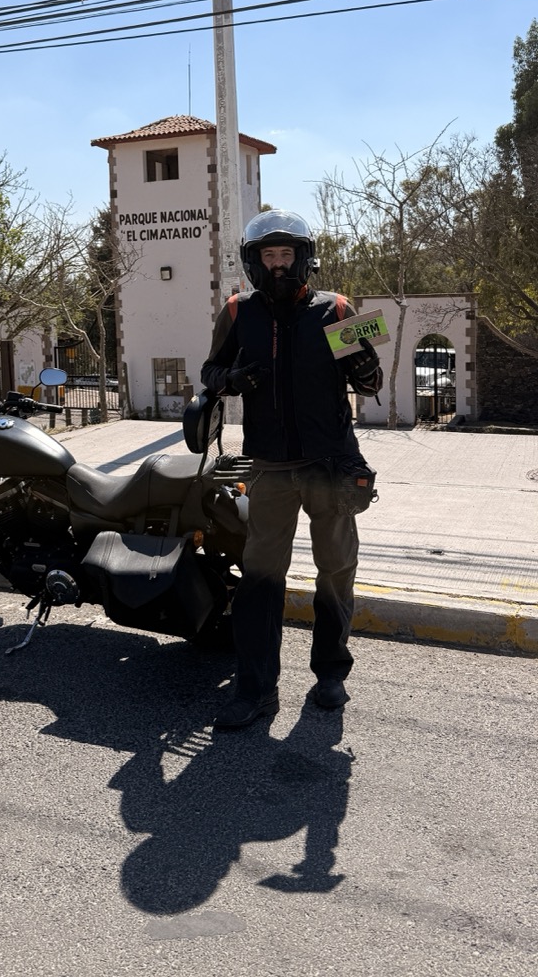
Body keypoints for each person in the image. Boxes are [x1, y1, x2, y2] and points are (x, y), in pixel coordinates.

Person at [201, 210, 383, 729]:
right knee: (260, 579)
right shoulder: (237, 311)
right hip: (270, 470)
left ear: (303, 259)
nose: (278, 265)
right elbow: (210, 372)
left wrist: (364, 365)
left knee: (336, 571)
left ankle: (331, 673)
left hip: (330, 465)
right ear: (254, 262)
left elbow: (370, 385)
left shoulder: (337, 309)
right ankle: (256, 690)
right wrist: (233, 378)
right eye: (269, 256)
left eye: (286, 255)